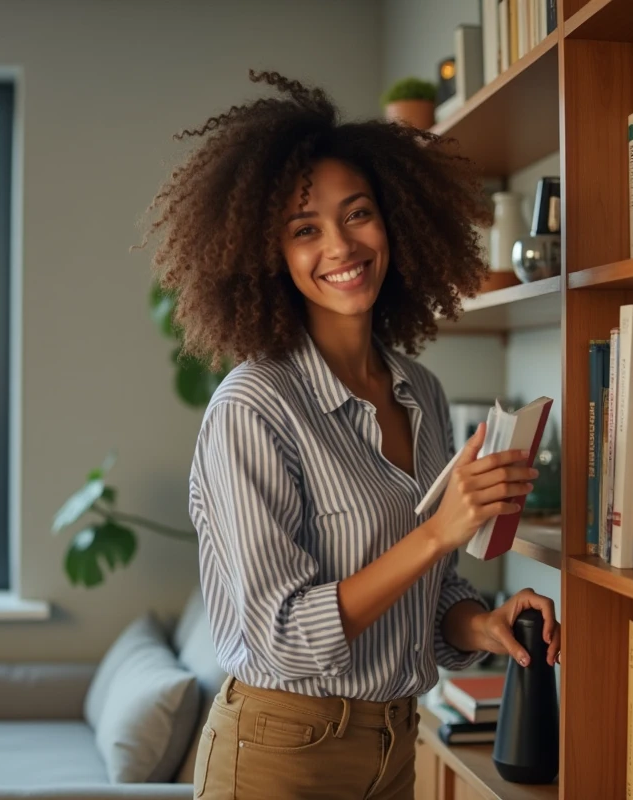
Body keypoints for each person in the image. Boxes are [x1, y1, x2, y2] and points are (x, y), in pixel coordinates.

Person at [143, 71, 561, 800]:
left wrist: (481, 623)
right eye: (305, 229)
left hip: (395, 748)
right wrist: (437, 532)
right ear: (269, 253)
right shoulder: (254, 406)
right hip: (279, 754)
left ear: (393, 221)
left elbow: (429, 596)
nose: (341, 245)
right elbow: (282, 635)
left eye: (358, 214)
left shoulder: (420, 391)